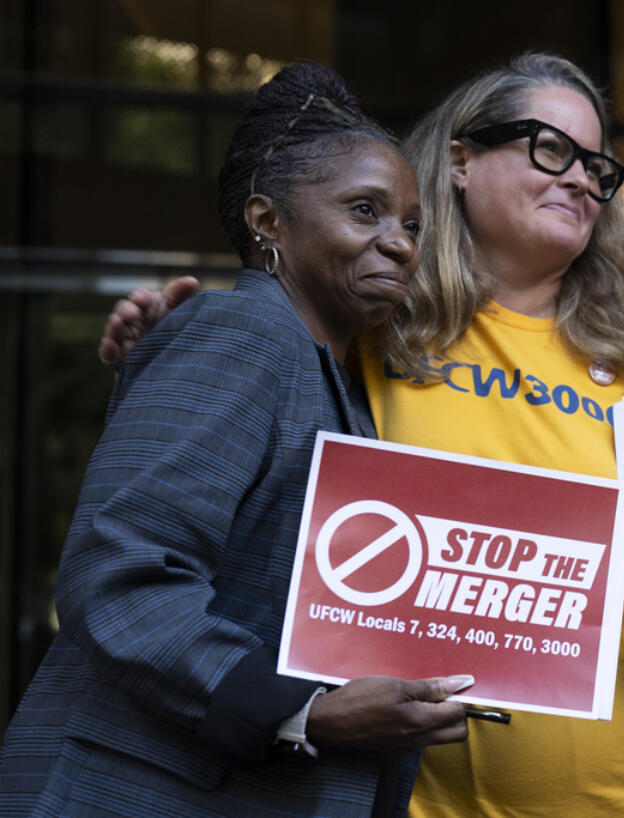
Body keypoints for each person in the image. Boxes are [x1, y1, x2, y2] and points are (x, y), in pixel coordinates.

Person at [95, 53, 624, 818]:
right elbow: (234, 477)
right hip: (406, 798)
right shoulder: (368, 323)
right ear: (460, 160)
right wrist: (160, 363)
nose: (580, 180)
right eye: (551, 149)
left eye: (597, 167)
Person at [1, 62, 471, 818]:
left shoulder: (335, 376)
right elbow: (121, 572)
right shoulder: (245, 333)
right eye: (365, 211)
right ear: (267, 221)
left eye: (411, 224)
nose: (400, 243)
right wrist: (306, 712)